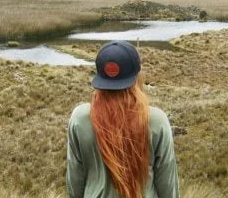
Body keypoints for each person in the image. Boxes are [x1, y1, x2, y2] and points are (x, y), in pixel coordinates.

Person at [67, 40, 180, 198]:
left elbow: (75, 184)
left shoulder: (80, 119)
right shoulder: (156, 121)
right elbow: (168, 187)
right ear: (136, 78)